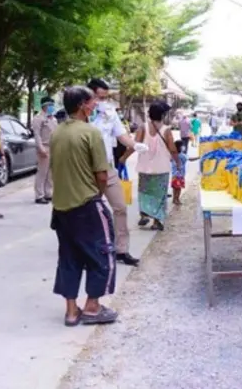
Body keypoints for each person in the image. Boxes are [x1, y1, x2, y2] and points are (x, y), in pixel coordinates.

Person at [50, 86, 118, 326]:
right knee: (103, 254)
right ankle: (92, 306)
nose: (95, 105)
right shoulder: (91, 133)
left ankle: (71, 311)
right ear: (82, 105)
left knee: (69, 258)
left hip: (61, 207)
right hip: (86, 204)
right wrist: (97, 196)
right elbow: (101, 175)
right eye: (92, 102)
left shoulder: (57, 133)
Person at [88, 78, 147, 267]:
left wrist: (134, 145)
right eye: (98, 97)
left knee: (120, 207)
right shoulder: (81, 114)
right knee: (88, 211)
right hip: (86, 169)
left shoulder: (109, 112)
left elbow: (120, 135)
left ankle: (121, 249)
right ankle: (87, 251)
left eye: (104, 97)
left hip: (107, 166)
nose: (101, 101)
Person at [124, 100, 180, 231]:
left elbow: (134, 145)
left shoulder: (142, 128)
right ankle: (156, 221)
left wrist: (123, 158)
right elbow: (172, 149)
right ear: (163, 115)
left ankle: (144, 215)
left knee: (144, 192)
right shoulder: (166, 130)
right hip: (162, 169)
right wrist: (178, 162)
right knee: (159, 195)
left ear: (150, 114)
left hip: (145, 168)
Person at [33, 96, 58, 204]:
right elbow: (37, 135)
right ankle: (39, 195)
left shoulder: (53, 118)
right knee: (42, 172)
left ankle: (48, 193)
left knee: (51, 173)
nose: (51, 107)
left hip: (53, 147)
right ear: (43, 106)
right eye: (49, 105)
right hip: (44, 146)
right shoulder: (38, 118)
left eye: (52, 105)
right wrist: (41, 148)